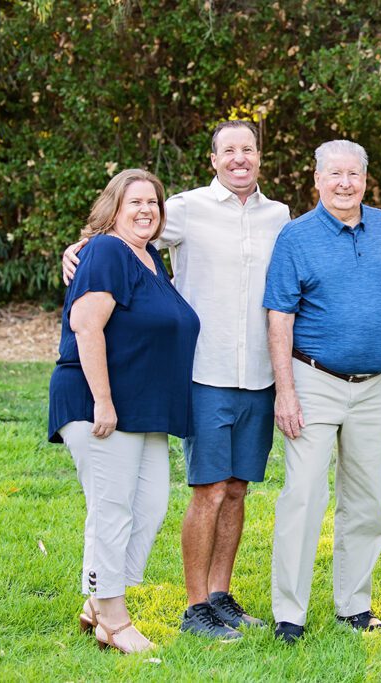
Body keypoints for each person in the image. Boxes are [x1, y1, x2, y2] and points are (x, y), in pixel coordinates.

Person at [62, 121, 291, 640]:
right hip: (202, 373)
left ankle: (219, 596)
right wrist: (76, 250)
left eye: (248, 149)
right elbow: (118, 238)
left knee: (237, 490)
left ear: (260, 156)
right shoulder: (181, 209)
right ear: (212, 159)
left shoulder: (280, 216)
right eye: (228, 150)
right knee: (208, 489)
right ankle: (194, 609)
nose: (239, 158)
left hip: (257, 374)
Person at [48, 168, 200, 653]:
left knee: (150, 505)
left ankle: (97, 597)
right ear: (112, 208)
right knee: (112, 509)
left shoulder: (148, 255)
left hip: (144, 407)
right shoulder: (108, 251)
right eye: (134, 201)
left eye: (153, 203)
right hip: (100, 401)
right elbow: (86, 326)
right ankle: (112, 618)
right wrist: (104, 403)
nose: (145, 210)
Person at [263, 140, 381, 644]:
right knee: (302, 495)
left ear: (366, 179)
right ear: (316, 179)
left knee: (365, 500)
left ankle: (354, 605)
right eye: (335, 174)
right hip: (314, 382)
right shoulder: (295, 237)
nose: (346, 183)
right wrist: (285, 392)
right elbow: (279, 317)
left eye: (354, 174)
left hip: (377, 385)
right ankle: (290, 614)